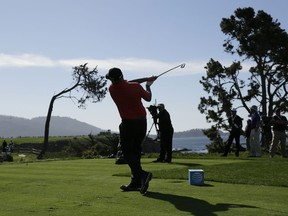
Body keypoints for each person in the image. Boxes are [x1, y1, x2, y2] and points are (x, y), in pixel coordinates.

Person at [106, 67, 156, 194]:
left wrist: (145, 79)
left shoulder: (112, 89)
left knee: (127, 153)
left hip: (128, 124)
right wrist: (148, 84)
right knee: (135, 152)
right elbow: (148, 98)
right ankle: (135, 183)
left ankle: (142, 175)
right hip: (142, 123)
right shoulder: (136, 87)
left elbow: (128, 83)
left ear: (112, 79)